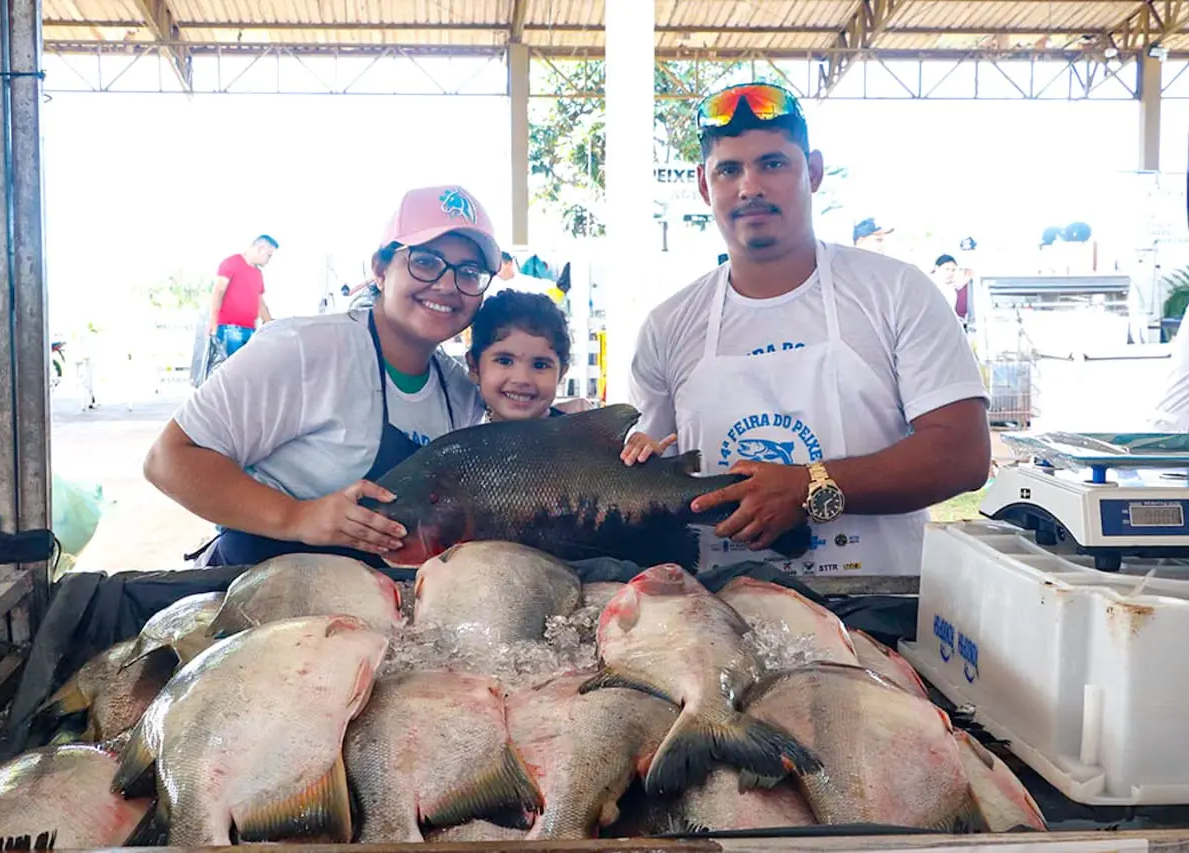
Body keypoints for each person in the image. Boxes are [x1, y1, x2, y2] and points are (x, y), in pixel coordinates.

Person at [623, 81, 991, 577]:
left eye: (773, 163)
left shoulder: (895, 291)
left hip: (876, 611)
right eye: (729, 169)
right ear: (705, 185)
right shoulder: (668, 325)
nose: (750, 187)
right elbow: (651, 480)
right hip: (717, 620)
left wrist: (807, 486)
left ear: (813, 172)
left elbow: (962, 453)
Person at [145, 186, 500, 568]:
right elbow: (169, 460)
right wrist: (296, 516)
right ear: (380, 269)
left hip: (378, 611)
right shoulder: (304, 349)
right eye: (426, 262)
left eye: (469, 273)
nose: (447, 285)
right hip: (258, 598)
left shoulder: (461, 392)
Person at [465, 289, 599, 422]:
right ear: (474, 367)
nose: (522, 379)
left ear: (562, 373)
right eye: (504, 361)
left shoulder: (583, 438)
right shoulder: (462, 440)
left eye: (540, 365)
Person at [206, 235, 279, 360]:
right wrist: (213, 320)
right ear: (260, 249)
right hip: (230, 329)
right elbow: (218, 291)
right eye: (269, 255)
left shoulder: (257, 274)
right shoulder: (231, 263)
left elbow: (259, 302)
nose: (269, 260)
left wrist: (270, 323)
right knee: (230, 371)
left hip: (250, 330)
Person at [932, 253, 972, 322]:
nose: (950, 273)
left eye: (953, 270)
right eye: (947, 269)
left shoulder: (950, 287)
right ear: (937, 268)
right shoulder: (930, 285)